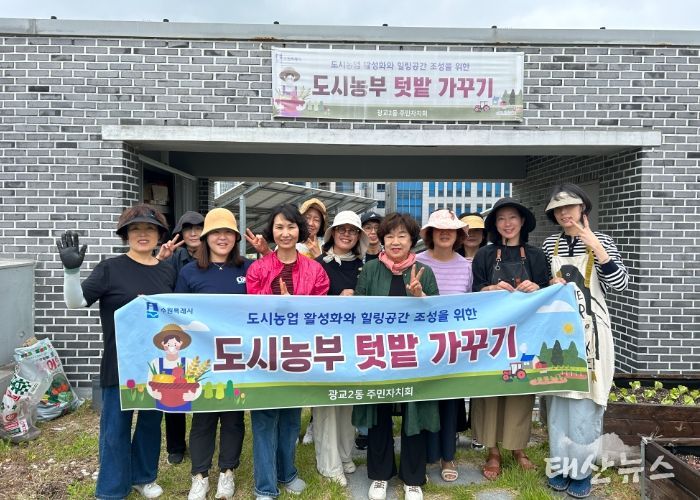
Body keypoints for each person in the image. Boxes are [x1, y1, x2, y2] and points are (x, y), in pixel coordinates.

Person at [57, 204, 176, 499]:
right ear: (126, 235)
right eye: (135, 229)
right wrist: (71, 272)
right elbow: (76, 302)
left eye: (149, 229)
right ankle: (112, 488)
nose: (143, 234)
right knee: (115, 428)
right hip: (119, 362)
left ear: (159, 235)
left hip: (157, 365)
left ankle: (143, 477)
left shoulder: (167, 271)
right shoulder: (110, 268)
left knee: (150, 423)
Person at [541, 184, 628, 498]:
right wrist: (549, 283)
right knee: (558, 400)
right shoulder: (550, 244)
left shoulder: (601, 239)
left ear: (583, 208)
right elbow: (543, 288)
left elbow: (620, 283)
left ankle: (581, 471)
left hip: (592, 332)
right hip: (559, 333)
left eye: (570, 206)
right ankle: (559, 466)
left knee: (587, 402)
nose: (565, 213)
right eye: (558, 209)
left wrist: (596, 247)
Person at [352, 212, 440, 500]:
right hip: (377, 354)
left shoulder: (424, 271)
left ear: (412, 240)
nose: (395, 241)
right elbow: (359, 312)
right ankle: (380, 475)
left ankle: (413, 477)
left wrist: (420, 297)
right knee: (378, 414)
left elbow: (439, 317)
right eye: (389, 235)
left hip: (413, 355)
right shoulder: (370, 270)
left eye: (402, 235)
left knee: (415, 412)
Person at [246, 203, 330, 500]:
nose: (285, 233)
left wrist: (293, 305)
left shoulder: (315, 270)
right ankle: (265, 486)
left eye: (291, 226)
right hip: (265, 354)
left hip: (298, 354)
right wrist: (278, 303)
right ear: (271, 231)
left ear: (300, 230)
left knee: (291, 418)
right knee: (265, 419)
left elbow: (320, 313)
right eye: (279, 227)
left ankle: (288, 473)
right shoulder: (257, 269)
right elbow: (252, 310)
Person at [175, 208, 252, 500]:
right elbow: (178, 313)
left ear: (236, 238)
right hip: (202, 359)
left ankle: (227, 472)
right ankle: (200, 476)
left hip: (238, 356)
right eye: (216, 232)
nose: (222, 238)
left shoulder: (247, 269)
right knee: (203, 418)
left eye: (228, 233)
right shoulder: (189, 272)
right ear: (206, 237)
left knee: (233, 418)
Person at [471, 197, 549, 481]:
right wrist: (490, 289)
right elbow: (475, 291)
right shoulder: (484, 255)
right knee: (490, 389)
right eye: (501, 218)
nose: (507, 223)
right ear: (495, 224)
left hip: (526, 333)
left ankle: (518, 449)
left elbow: (548, 293)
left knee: (520, 388)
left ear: (522, 221)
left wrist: (537, 287)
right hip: (492, 336)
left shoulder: (537, 256)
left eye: (512, 217)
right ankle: (492, 452)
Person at [312, 210, 368, 486]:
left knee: (347, 401)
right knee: (326, 405)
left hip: (354, 345)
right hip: (325, 344)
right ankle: (329, 463)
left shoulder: (365, 267)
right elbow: (309, 302)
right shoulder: (316, 264)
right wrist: (337, 298)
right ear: (332, 232)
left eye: (353, 230)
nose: (347, 234)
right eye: (341, 229)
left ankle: (345, 455)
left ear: (359, 236)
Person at [415, 209, 469, 483]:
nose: (445, 233)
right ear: (430, 234)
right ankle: (427, 453)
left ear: (458, 235)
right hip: (422, 344)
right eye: (439, 229)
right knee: (426, 399)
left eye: (451, 229)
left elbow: (473, 305)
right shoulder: (416, 261)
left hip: (453, 346)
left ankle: (448, 455)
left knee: (450, 401)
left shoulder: (466, 266)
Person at [155, 210, 205, 465]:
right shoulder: (173, 257)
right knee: (174, 383)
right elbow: (158, 286)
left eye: (198, 228)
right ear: (181, 233)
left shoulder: (214, 254)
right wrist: (160, 259)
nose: (193, 233)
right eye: (188, 229)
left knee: (204, 383)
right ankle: (175, 446)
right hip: (178, 330)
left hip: (206, 331)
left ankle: (203, 439)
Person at [457, 212, 488, 450]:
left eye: (477, 230)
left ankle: (479, 431)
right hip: (456, 327)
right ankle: (456, 428)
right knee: (454, 378)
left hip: (484, 326)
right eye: (467, 231)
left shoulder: (490, 257)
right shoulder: (453, 258)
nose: (472, 235)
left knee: (480, 379)